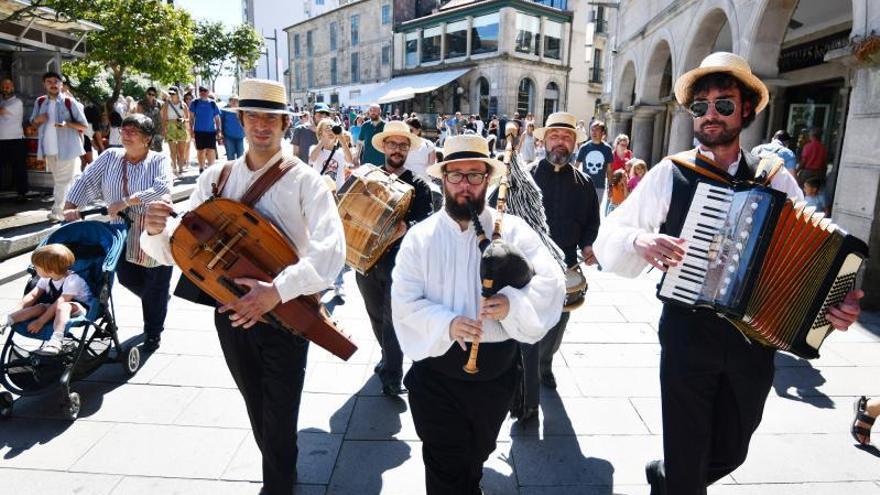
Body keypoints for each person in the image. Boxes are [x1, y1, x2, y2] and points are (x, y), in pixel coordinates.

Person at [593, 51, 863, 495]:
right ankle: (677, 478)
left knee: (732, 450)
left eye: (723, 104)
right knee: (687, 459)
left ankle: (668, 477)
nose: (710, 115)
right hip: (686, 332)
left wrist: (839, 300)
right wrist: (640, 241)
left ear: (747, 110)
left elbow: (814, 253)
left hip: (751, 340)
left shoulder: (774, 178)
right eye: (700, 106)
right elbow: (612, 236)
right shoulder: (671, 173)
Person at [141, 79, 345, 495]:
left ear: (285, 123)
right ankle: (280, 471)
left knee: (281, 412)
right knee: (257, 405)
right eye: (253, 116)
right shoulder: (217, 178)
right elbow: (179, 249)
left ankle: (279, 486)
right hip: (231, 314)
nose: (261, 125)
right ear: (241, 120)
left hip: (286, 316)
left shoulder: (305, 181)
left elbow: (330, 254)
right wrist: (155, 231)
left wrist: (275, 292)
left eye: (271, 117)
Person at [391, 134, 565, 494]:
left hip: (495, 373)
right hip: (437, 371)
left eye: (474, 175)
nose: (464, 185)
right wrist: (448, 323)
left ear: (488, 178)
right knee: (445, 463)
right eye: (456, 175)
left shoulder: (513, 230)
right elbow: (403, 300)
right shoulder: (421, 237)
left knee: (476, 456)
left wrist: (512, 304)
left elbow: (552, 283)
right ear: (443, 179)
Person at [63, 113, 173, 353]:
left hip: (152, 230)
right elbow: (87, 179)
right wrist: (71, 205)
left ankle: (153, 332)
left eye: (133, 132)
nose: (126, 135)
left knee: (155, 282)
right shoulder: (110, 156)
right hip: (120, 231)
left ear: (147, 139)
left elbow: (162, 188)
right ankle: (158, 301)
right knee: (126, 277)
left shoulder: (159, 160)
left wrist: (125, 201)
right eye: (124, 131)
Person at [518, 111, 600, 419]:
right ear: (543, 140)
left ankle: (544, 364)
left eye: (567, 137)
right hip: (525, 268)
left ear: (574, 144)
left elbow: (592, 223)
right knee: (526, 327)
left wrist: (590, 245)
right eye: (554, 136)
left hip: (564, 268)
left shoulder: (585, 184)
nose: (560, 143)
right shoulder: (523, 177)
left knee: (556, 326)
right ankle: (526, 384)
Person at [357, 120, 433, 396]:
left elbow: (426, 222)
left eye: (403, 145)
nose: (397, 149)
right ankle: (386, 357)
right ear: (384, 147)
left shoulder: (420, 186)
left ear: (408, 150)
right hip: (367, 261)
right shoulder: (369, 178)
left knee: (392, 319)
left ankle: (392, 375)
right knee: (376, 316)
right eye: (393, 144)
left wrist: (406, 227)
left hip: (400, 265)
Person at [1, 244, 92, 355]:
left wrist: (40, 321)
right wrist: (17, 310)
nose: (35, 269)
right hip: (55, 306)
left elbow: (60, 302)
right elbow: (33, 295)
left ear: (49, 270)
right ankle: (8, 320)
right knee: (39, 307)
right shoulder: (47, 278)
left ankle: (56, 340)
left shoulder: (73, 281)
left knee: (63, 306)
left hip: (76, 307)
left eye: (37, 267)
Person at [30, 71, 88, 222]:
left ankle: (57, 212)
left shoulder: (70, 102)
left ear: (61, 84)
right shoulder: (40, 102)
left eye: (56, 81)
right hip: (48, 150)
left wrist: (67, 124)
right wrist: (38, 119)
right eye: (49, 81)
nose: (53, 84)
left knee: (62, 182)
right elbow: (33, 124)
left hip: (68, 149)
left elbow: (84, 126)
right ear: (44, 85)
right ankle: (74, 210)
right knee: (62, 182)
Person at [575, 120, 613, 212]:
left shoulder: (607, 149)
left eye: (597, 130)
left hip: (600, 186)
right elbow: (575, 168)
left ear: (602, 132)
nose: (594, 132)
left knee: (594, 212)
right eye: (592, 130)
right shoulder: (584, 148)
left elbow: (609, 170)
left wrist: (610, 186)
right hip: (584, 185)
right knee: (582, 210)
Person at [308, 117, 354, 193]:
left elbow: (350, 161)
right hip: (321, 193)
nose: (330, 131)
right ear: (320, 132)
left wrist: (341, 138)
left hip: (338, 193)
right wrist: (322, 141)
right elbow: (311, 160)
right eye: (327, 129)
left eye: (332, 128)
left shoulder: (340, 152)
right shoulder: (315, 148)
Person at [0, 78, 27, 202]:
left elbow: (2, 112)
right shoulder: (2, 102)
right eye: (3, 86)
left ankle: (22, 193)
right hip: (2, 140)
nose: (6, 88)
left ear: (13, 88)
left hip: (15, 140)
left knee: (19, 168)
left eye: (8, 86)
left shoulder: (16, 102)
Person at [189, 86, 221, 173]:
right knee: (201, 150)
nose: (203, 92)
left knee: (211, 150)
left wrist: (218, 129)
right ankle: (201, 168)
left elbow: (217, 118)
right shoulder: (194, 103)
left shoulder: (213, 103)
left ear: (208, 92)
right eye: (201, 90)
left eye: (205, 90)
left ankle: (210, 169)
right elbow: (191, 118)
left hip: (211, 131)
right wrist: (191, 130)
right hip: (198, 131)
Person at [161, 87, 190, 176]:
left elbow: (188, 118)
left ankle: (180, 168)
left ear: (178, 93)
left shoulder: (183, 104)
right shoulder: (166, 104)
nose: (172, 95)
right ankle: (174, 167)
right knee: (172, 150)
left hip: (181, 127)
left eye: (173, 93)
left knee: (181, 150)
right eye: (170, 93)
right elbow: (164, 119)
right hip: (170, 127)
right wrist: (164, 130)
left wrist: (183, 120)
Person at [137, 87, 164, 152]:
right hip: (146, 130)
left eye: (153, 94)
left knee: (158, 149)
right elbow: (138, 116)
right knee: (146, 149)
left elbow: (162, 117)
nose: (151, 96)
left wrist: (164, 130)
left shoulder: (159, 104)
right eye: (149, 94)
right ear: (146, 94)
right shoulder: (141, 103)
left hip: (157, 129)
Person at [221, 95, 246, 160]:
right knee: (230, 157)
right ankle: (231, 170)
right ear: (229, 101)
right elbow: (221, 122)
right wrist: (221, 134)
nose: (234, 102)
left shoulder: (242, 110)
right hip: (228, 137)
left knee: (241, 157)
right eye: (232, 100)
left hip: (240, 137)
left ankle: (239, 170)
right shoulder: (225, 110)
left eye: (236, 100)